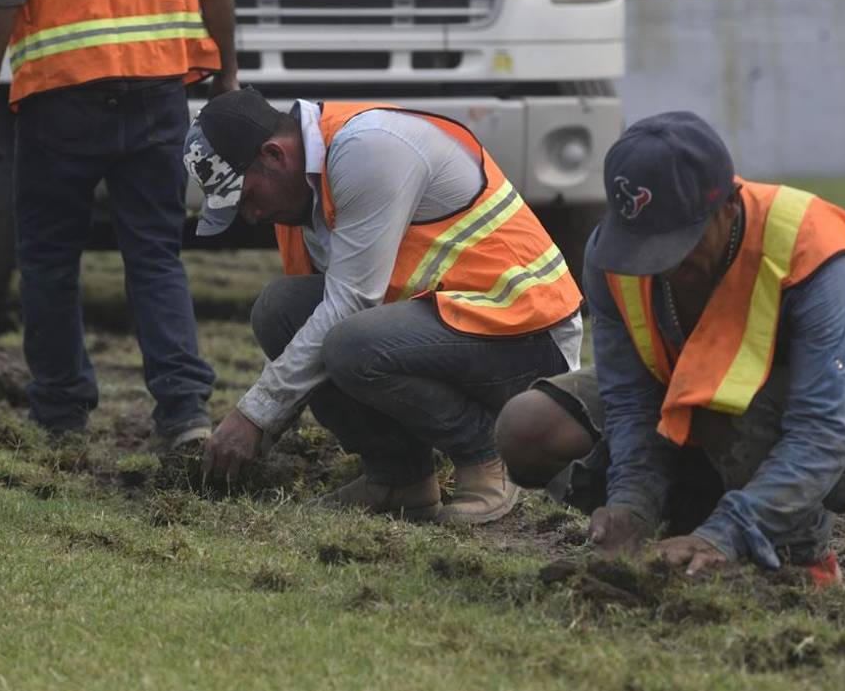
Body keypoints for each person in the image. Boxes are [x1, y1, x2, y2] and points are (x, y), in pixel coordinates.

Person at [495, 112, 845, 583]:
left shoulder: (812, 254)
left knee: (715, 393)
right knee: (529, 426)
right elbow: (629, 398)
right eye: (644, 247)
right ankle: (683, 523)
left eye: (678, 247)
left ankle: (800, 555)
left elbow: (825, 429)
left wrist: (729, 532)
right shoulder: (609, 255)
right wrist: (633, 503)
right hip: (686, 403)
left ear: (729, 206)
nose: (663, 269)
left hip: (836, 432)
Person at [187, 89, 584, 524]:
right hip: (452, 334)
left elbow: (351, 304)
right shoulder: (304, 192)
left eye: (244, 196)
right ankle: (399, 478)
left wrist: (256, 415)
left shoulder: (367, 149)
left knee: (350, 342)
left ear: (274, 154)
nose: (249, 215)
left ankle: (486, 452)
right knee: (279, 309)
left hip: (524, 337)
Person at [0, 0, 239, 449]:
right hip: (157, 85)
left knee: (48, 258)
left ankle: (61, 413)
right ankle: (184, 412)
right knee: (157, 254)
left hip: (61, 92)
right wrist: (227, 70)